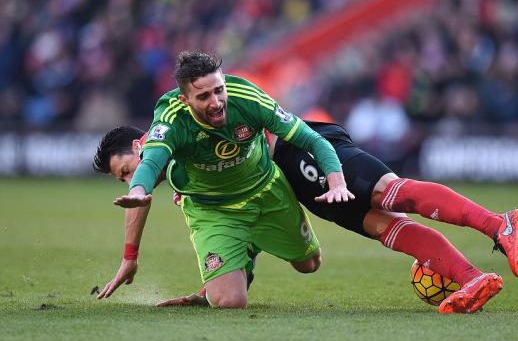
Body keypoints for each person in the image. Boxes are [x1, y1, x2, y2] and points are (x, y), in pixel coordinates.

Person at [95, 120, 518, 314]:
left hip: (295, 147)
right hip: (287, 180)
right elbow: (238, 217)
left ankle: (499, 224)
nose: (136, 183)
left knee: (389, 194)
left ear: (138, 147)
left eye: (127, 172)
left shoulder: (164, 136)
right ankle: (471, 277)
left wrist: (129, 255)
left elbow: (243, 124)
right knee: (380, 225)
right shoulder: (183, 176)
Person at [95, 51, 354, 309]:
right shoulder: (170, 120)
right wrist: (139, 192)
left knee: (309, 264)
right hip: (213, 211)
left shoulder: (247, 97)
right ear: (184, 100)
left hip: (264, 190)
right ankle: (227, 266)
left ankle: (248, 248)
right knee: (230, 301)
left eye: (219, 90)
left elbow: (312, 139)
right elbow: (149, 164)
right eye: (204, 96)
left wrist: (337, 182)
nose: (217, 102)